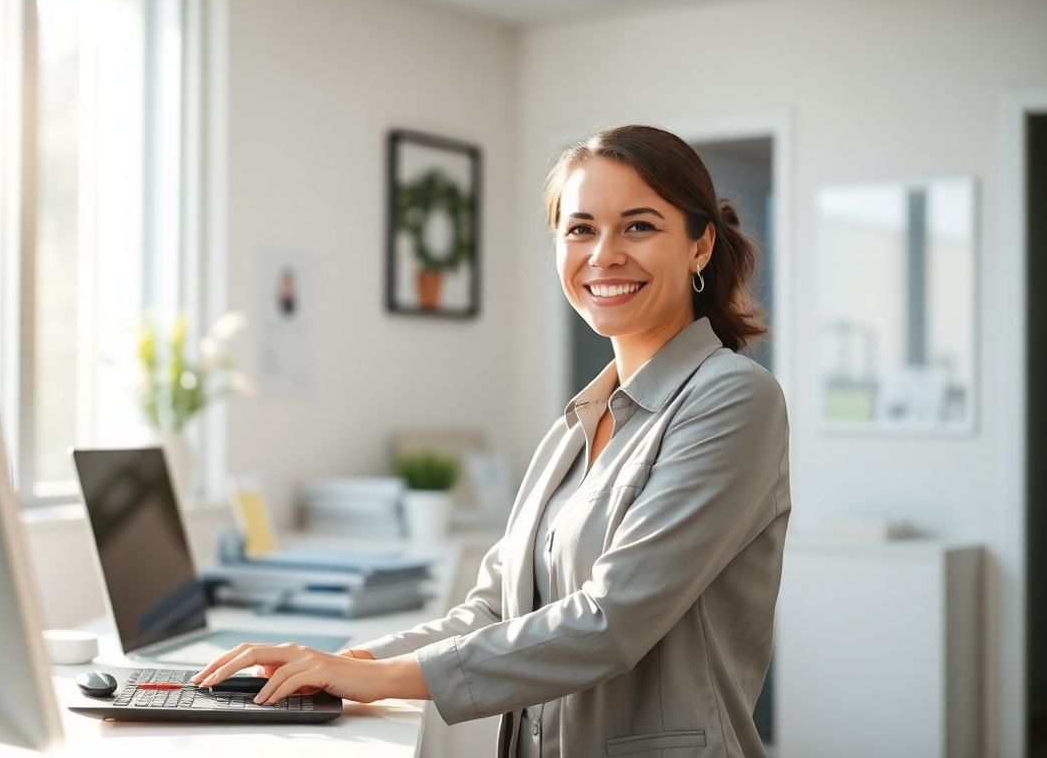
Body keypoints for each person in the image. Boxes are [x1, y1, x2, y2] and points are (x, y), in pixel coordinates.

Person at [192, 124, 790, 758]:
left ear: (699, 246)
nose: (604, 254)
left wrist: (373, 680)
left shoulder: (732, 398)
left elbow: (611, 622)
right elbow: (491, 613)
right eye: (581, 229)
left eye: (638, 226)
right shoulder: (575, 428)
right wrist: (337, 663)